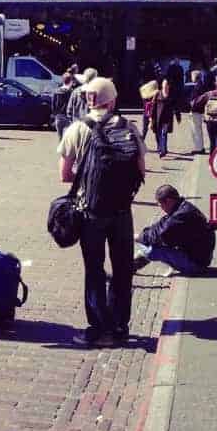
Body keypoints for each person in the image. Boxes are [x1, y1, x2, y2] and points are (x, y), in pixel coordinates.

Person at [58, 77, 145, 347]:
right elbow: (141, 171)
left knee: (94, 269)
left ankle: (98, 328)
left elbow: (64, 174)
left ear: (88, 99)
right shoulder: (129, 127)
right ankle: (119, 327)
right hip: (121, 211)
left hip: (90, 211)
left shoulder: (77, 129)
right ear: (113, 100)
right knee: (122, 269)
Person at [133, 184, 215, 276]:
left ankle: (127, 269)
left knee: (153, 249)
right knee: (151, 242)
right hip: (198, 258)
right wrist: (143, 235)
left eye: (160, 204)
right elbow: (161, 225)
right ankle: (131, 266)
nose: (160, 207)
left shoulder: (181, 215)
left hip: (196, 264)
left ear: (168, 201)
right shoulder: (182, 207)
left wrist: (139, 237)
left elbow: (159, 235)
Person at [195, 77, 217, 152]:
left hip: (210, 119)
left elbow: (197, 102)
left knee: (212, 141)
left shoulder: (209, 94)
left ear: (216, 84)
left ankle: (212, 159)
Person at [151, 79, 181, 158]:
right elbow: (153, 107)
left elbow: (176, 107)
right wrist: (151, 118)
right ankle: (161, 147)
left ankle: (163, 150)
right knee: (158, 134)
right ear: (162, 86)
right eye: (164, 85)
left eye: (167, 85)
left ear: (169, 86)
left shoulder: (172, 95)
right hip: (158, 117)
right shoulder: (157, 94)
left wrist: (178, 117)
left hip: (167, 118)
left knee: (164, 133)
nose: (165, 87)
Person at [187, 70, 209, 155]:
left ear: (195, 77)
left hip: (196, 110)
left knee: (196, 129)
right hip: (199, 110)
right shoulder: (201, 85)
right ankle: (199, 147)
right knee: (197, 129)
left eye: (192, 76)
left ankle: (199, 148)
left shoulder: (198, 86)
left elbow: (195, 99)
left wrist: (191, 104)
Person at [51, 73, 77, 140]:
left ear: (63, 80)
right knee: (68, 139)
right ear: (71, 81)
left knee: (60, 138)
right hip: (68, 117)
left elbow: (53, 104)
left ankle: (60, 150)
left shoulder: (56, 91)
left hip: (58, 117)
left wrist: (54, 114)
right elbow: (73, 105)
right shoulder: (72, 92)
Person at [139, 79, 159, 144]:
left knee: (144, 130)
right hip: (154, 114)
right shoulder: (155, 95)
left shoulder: (145, 95)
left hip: (146, 114)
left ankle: (140, 144)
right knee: (156, 131)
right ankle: (160, 147)